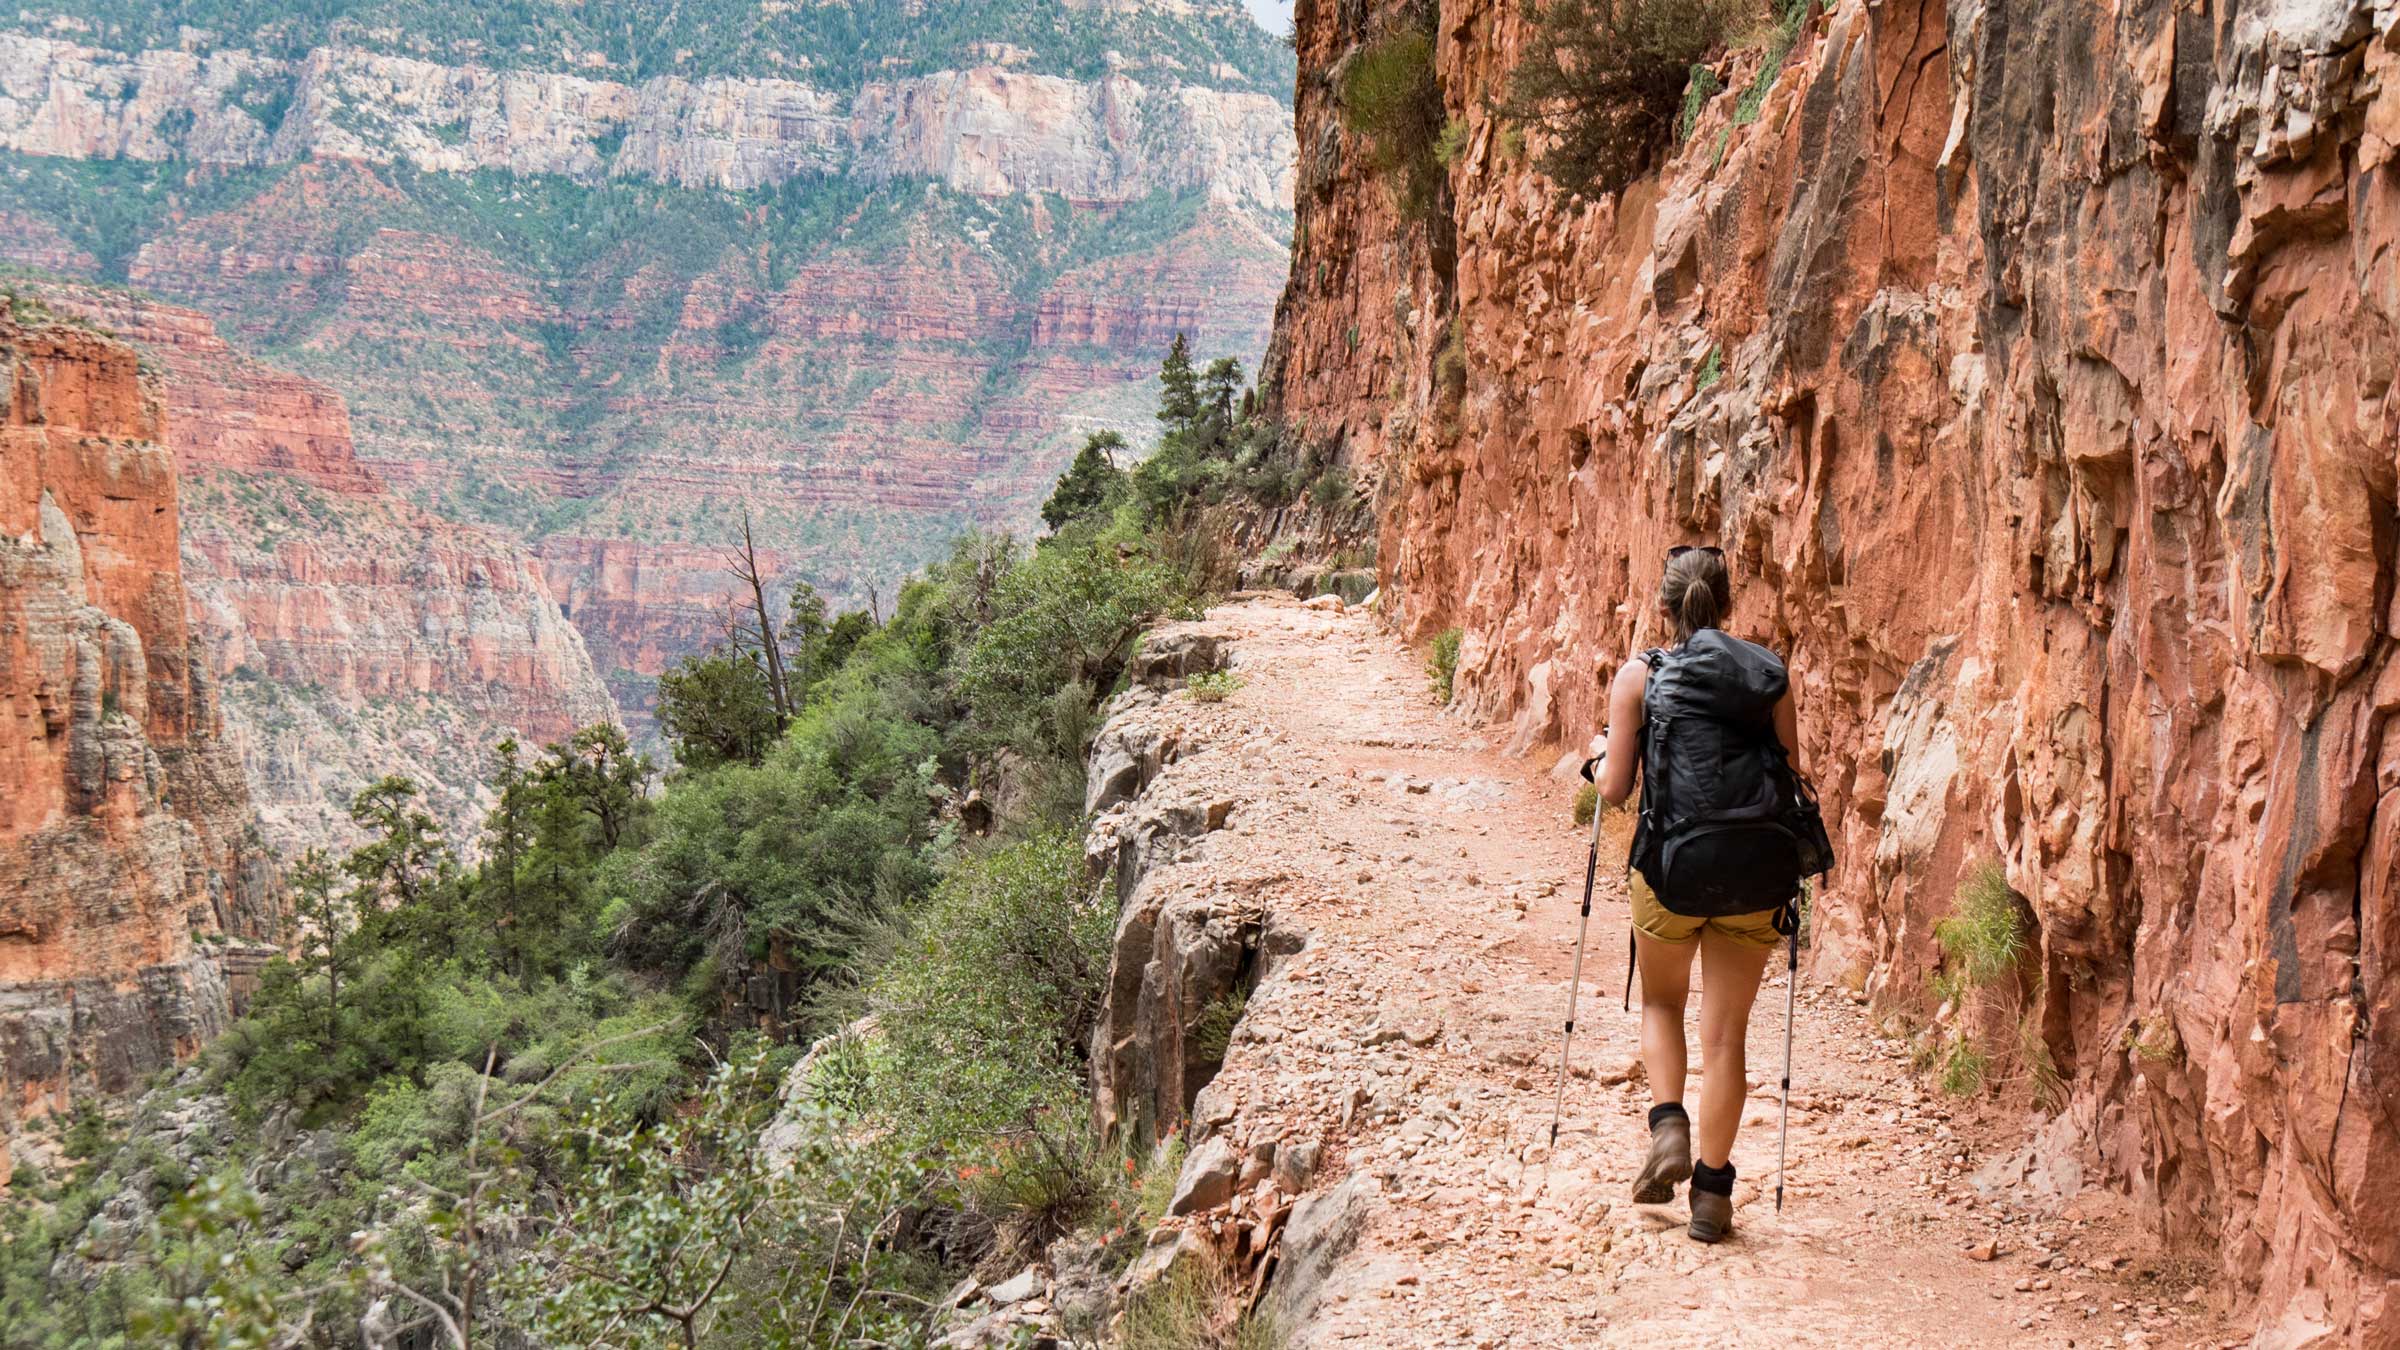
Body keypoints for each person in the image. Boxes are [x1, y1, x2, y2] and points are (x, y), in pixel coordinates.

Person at [1586, 545, 1800, 1243]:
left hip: (1670, 875)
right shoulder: (1768, 676)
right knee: (1727, 1033)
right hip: (1754, 876)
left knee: (1661, 1000)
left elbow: (1616, 789)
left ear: (1666, 610)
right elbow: (1794, 777)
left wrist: (1593, 763)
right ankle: (1712, 1194)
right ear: (1728, 606)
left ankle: (1668, 1124)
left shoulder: (1640, 677)